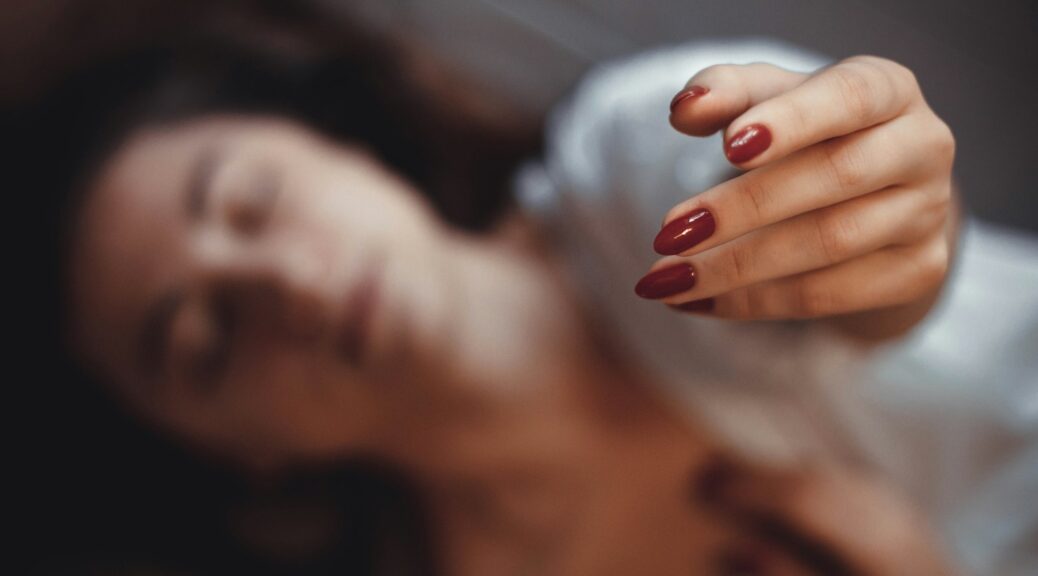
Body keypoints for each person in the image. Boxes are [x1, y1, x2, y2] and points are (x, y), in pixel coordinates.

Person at [18, 5, 1034, 575]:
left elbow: (853, 266)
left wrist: (884, 203)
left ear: (349, 142)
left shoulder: (626, 171)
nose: (286, 285)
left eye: (253, 200)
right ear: (239, 461)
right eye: (203, 340)